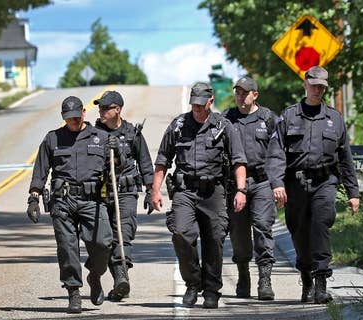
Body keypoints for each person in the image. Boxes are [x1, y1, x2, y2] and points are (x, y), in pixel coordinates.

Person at [266, 66, 360, 304]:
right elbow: (276, 153)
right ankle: (306, 278)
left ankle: (321, 284)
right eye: (314, 85)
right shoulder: (288, 117)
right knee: (299, 232)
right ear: (305, 85)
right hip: (295, 185)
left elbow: (345, 158)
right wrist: (277, 184)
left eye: (321, 86)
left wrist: (353, 192)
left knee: (321, 226)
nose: (317, 90)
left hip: (324, 183)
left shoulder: (334, 118)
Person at [151, 82, 248, 309]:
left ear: (210, 102)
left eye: (200, 104)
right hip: (185, 190)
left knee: (214, 240)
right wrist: (155, 190)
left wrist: (241, 190)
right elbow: (163, 159)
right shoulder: (179, 125)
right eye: (193, 104)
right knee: (181, 233)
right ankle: (193, 283)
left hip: (214, 191)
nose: (196, 108)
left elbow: (239, 160)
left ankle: (212, 289)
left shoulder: (223, 126)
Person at [26, 96, 121, 313]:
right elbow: (40, 170)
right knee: (67, 248)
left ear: (84, 114)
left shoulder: (101, 137)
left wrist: (117, 154)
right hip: (63, 201)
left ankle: (95, 274)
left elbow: (117, 169)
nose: (74, 122)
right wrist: (34, 197)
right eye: (69, 119)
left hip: (93, 200)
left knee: (103, 243)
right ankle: (74, 292)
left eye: (77, 118)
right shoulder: (53, 139)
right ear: (63, 118)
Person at [94, 90, 154, 301]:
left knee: (124, 232)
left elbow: (146, 163)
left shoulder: (132, 133)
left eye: (105, 107)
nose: (100, 111)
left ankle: (121, 277)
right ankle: (105, 279)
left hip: (126, 191)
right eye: (99, 107)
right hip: (101, 194)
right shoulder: (93, 134)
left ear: (117, 109)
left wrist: (150, 190)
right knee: (104, 239)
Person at [221, 76, 278, 300]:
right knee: (239, 233)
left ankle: (265, 280)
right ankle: (243, 274)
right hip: (234, 185)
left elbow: (280, 151)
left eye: (245, 93)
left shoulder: (269, 119)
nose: (240, 97)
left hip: (262, 181)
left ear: (255, 94)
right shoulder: (226, 119)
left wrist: (279, 183)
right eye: (238, 92)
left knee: (263, 226)